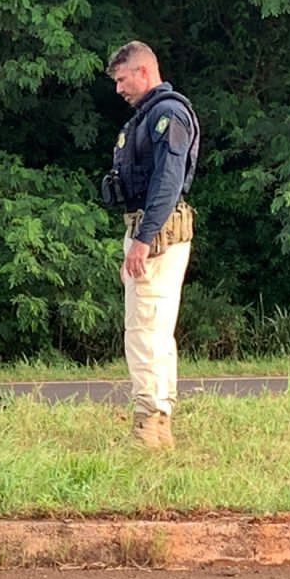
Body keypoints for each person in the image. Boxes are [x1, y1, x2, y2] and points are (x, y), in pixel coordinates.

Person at [104, 41, 200, 449]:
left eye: (122, 79)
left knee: (144, 328)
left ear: (143, 71)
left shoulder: (167, 114)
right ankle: (159, 423)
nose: (119, 89)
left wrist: (142, 240)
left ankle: (148, 422)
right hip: (152, 228)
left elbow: (168, 180)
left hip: (155, 232)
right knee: (156, 329)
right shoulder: (151, 116)